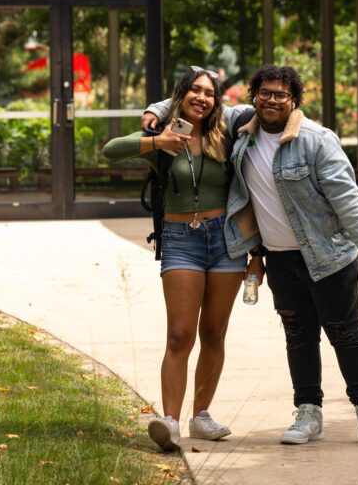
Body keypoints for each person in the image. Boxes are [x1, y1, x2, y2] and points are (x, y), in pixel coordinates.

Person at [143, 65, 358, 448]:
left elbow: (349, 201)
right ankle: (308, 413)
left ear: (294, 100)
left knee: (346, 334)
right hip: (281, 259)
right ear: (253, 97)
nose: (272, 100)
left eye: (281, 95)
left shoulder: (316, 140)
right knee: (299, 337)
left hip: (328, 256)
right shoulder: (242, 134)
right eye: (265, 93)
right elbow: (195, 101)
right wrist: (158, 112)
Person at [102, 66, 263, 452]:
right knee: (179, 334)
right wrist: (157, 143)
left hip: (225, 241)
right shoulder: (163, 136)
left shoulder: (227, 130)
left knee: (213, 333)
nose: (202, 98)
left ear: (216, 100)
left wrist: (257, 254)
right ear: (181, 95)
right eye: (195, 90)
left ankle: (202, 417)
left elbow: (262, 110)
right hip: (179, 240)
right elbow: (111, 151)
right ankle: (170, 422)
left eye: (209, 93)